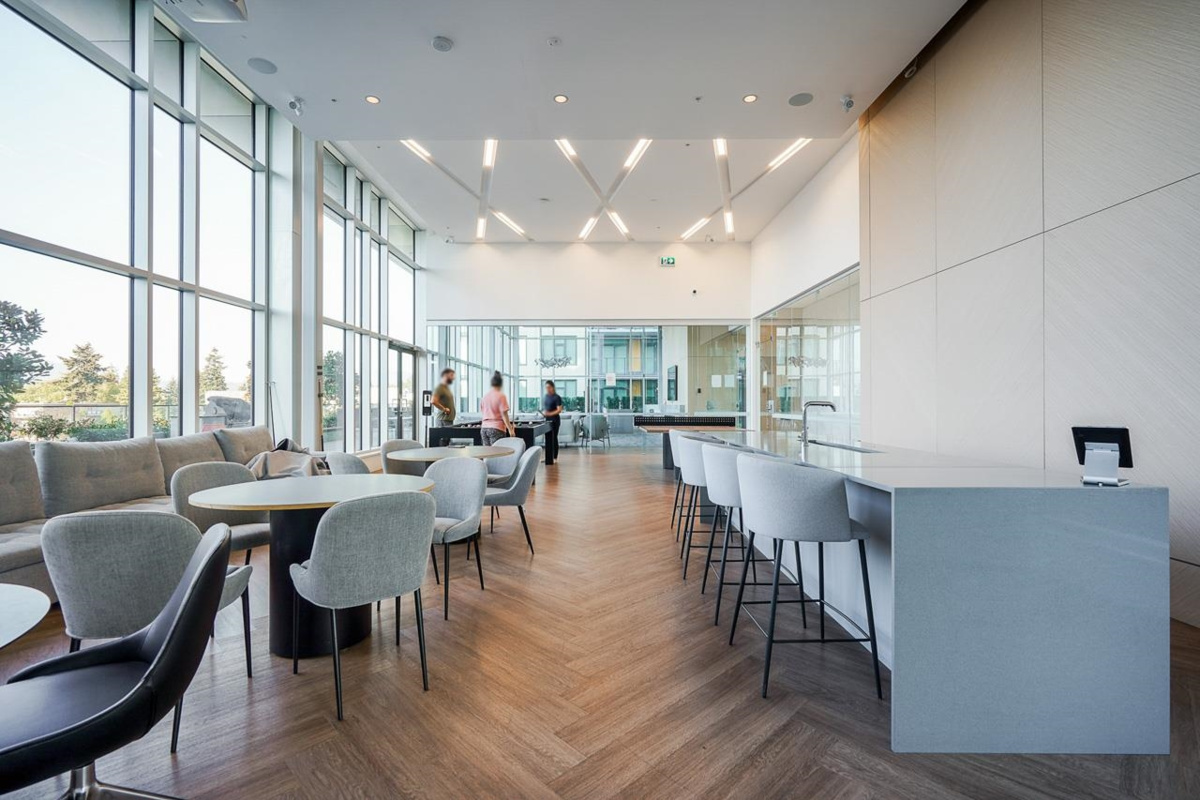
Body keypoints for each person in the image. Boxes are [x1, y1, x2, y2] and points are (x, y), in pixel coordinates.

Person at [479, 371, 514, 447]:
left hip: (484, 428)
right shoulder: (501, 396)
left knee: (487, 453)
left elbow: (483, 412)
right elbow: (504, 415)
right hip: (497, 428)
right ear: (501, 384)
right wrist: (510, 429)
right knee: (498, 453)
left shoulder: (485, 396)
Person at [541, 380, 564, 465]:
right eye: (546, 387)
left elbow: (559, 410)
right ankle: (548, 457)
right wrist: (544, 413)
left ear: (552, 387)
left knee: (554, 438)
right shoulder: (546, 396)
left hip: (555, 421)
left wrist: (549, 414)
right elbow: (546, 408)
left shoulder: (557, 397)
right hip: (547, 420)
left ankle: (554, 457)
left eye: (548, 387)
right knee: (548, 439)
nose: (547, 389)